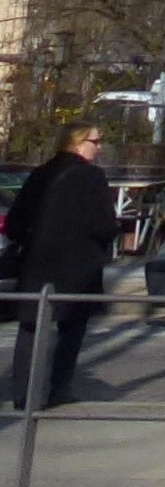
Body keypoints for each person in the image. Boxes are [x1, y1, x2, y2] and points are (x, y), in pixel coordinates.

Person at [6, 119, 117, 409]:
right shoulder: (92, 177)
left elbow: (15, 223)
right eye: (95, 141)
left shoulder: (41, 174)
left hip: (37, 263)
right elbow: (104, 225)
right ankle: (58, 389)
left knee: (31, 327)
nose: (99, 147)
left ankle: (25, 394)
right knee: (71, 328)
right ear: (79, 143)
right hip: (78, 267)